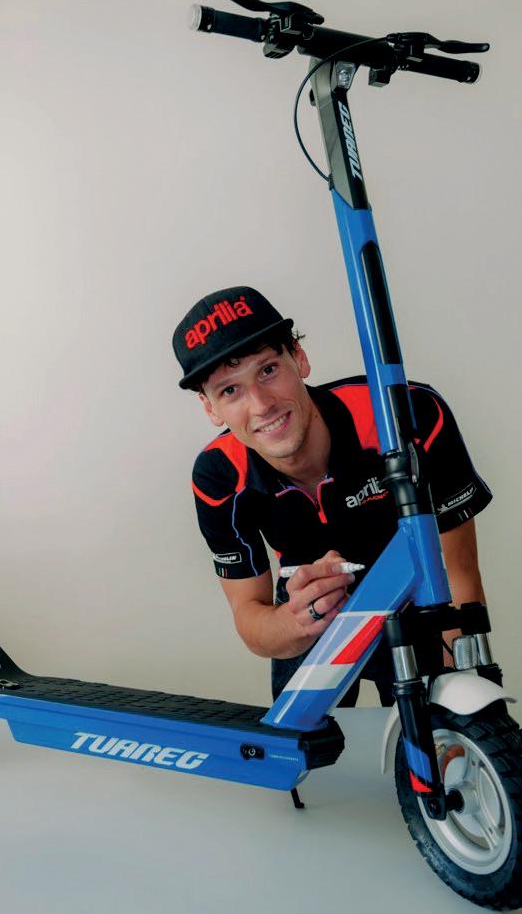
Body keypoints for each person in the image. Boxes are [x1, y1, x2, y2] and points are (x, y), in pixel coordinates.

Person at [172, 286, 491, 706]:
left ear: (299, 358)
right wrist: (295, 621)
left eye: (268, 370)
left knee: (445, 730)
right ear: (211, 408)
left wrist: (459, 702)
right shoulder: (218, 476)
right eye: (230, 391)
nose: (261, 405)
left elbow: (459, 574)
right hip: (306, 606)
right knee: (311, 746)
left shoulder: (408, 414)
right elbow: (251, 618)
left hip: (417, 598)